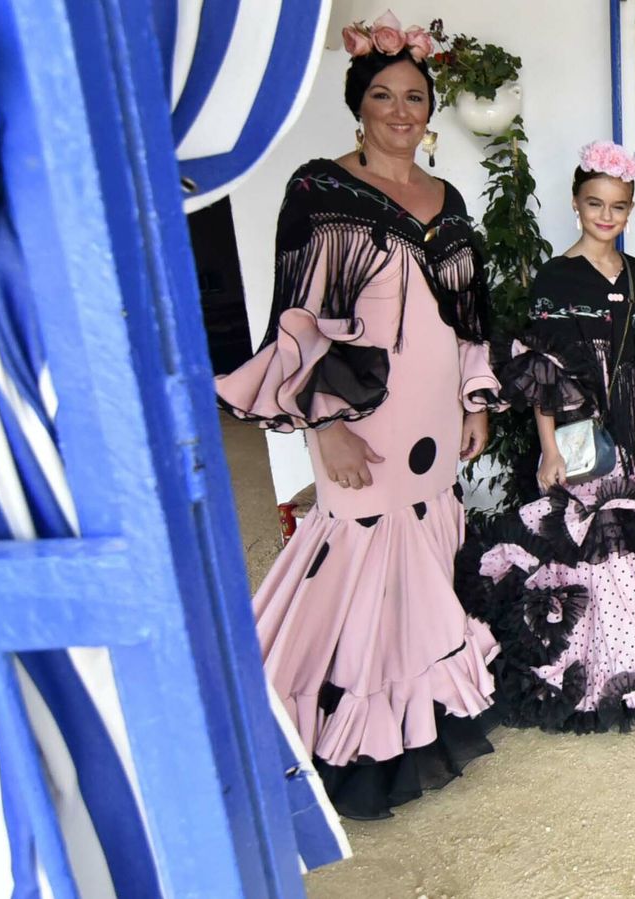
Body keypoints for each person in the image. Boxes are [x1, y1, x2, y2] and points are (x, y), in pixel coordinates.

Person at [215, 13, 500, 820]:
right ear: (359, 103)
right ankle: (312, 721)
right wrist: (323, 425)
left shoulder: (447, 197)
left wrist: (473, 396)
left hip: (433, 419)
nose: (402, 110)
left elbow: (468, 316)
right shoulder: (320, 192)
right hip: (361, 416)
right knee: (354, 555)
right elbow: (296, 322)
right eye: (384, 94)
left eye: (415, 96)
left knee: (426, 549)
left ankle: (414, 722)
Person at [458, 141, 635, 733]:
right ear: (576, 204)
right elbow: (543, 367)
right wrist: (550, 447)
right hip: (574, 423)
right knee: (586, 534)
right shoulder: (556, 277)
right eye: (595, 203)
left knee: (622, 529)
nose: (607, 215)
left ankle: (628, 640)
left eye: (619, 206)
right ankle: (585, 660)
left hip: (628, 414)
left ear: (629, 211)